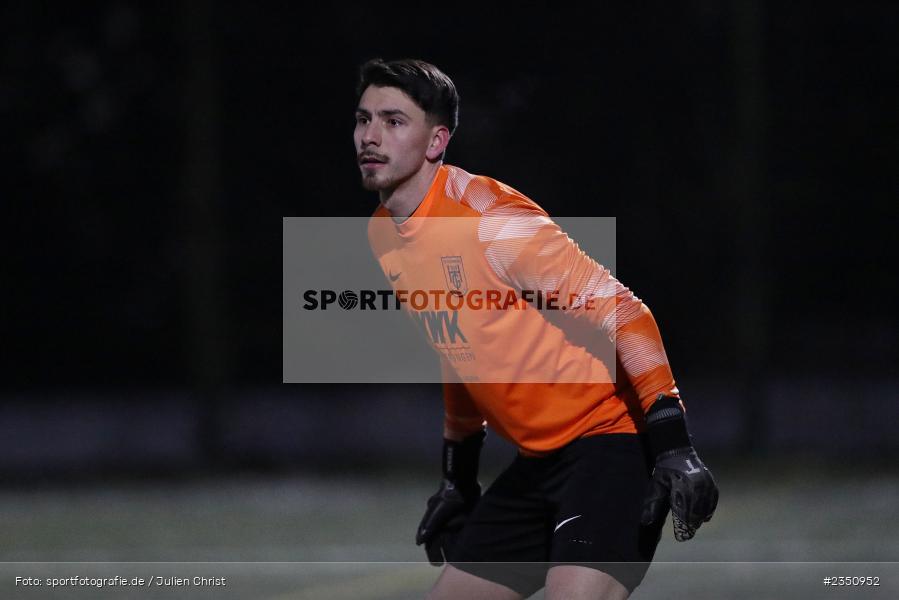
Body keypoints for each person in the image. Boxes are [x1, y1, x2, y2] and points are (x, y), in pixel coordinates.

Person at [356, 58, 719, 600]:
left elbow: (625, 313)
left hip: (610, 446)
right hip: (536, 463)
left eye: (393, 121)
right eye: (363, 120)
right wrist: (459, 476)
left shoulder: (493, 221)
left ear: (436, 142)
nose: (370, 136)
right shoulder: (384, 233)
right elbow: (457, 348)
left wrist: (673, 444)